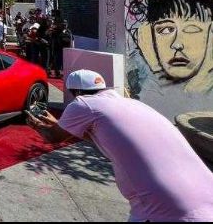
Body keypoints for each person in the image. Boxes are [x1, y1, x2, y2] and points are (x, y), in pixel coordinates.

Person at [26, 69, 213, 222]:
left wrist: (35, 123)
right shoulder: (132, 104)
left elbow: (53, 137)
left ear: (75, 93)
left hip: (164, 208)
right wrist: (61, 124)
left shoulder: (83, 104)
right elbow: (109, 141)